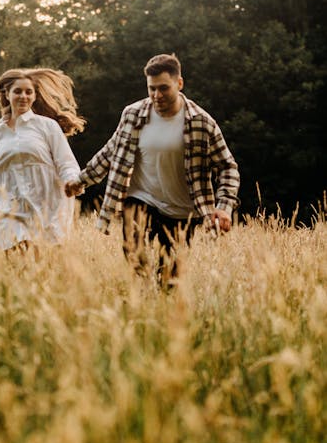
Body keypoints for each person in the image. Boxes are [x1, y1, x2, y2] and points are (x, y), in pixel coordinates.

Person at [65, 53, 240, 282]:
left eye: (164, 88)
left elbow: (227, 167)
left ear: (179, 83)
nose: (157, 96)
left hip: (181, 211)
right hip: (141, 198)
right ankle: (140, 293)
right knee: (134, 256)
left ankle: (161, 306)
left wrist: (224, 206)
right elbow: (111, 152)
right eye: (151, 89)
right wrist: (81, 180)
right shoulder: (133, 114)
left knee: (169, 277)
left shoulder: (201, 122)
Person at [0, 68, 85, 256]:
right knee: (15, 258)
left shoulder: (47, 126)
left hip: (44, 202)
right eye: (18, 91)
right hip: (9, 205)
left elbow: (65, 161)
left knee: (43, 260)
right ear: (7, 94)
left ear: (35, 96)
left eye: (29, 92)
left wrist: (72, 180)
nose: (23, 96)